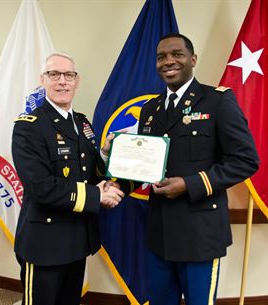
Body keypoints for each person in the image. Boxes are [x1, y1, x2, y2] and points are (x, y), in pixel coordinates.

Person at [103, 33, 259, 305]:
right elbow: (145, 167)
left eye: (177, 54)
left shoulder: (217, 101)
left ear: (193, 59)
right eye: (161, 57)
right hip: (159, 231)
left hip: (200, 231)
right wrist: (119, 185)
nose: (168, 62)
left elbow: (245, 160)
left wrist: (190, 184)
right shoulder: (150, 109)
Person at [12, 52, 124, 305]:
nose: (62, 81)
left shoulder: (82, 123)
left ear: (77, 81)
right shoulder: (29, 126)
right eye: (54, 74)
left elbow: (90, 171)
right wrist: (99, 195)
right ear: (43, 79)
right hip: (45, 242)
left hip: (77, 236)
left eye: (68, 75)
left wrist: (104, 153)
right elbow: (41, 187)